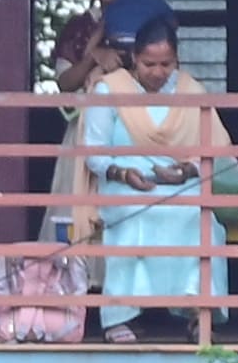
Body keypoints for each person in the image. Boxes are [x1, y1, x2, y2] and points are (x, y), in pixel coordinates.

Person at [60, 24, 228, 333]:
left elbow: (213, 151)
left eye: (166, 64)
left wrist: (184, 171)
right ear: (135, 59)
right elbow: (94, 152)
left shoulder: (192, 91)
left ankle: (198, 313)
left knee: (199, 218)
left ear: (177, 60)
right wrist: (124, 173)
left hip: (180, 184)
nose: (158, 72)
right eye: (149, 64)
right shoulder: (109, 90)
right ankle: (119, 317)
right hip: (123, 184)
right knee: (136, 214)